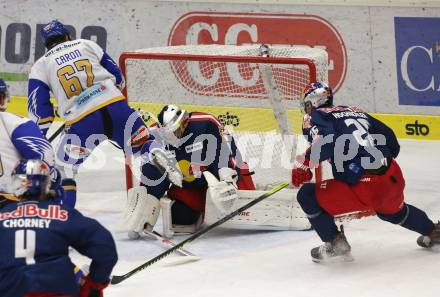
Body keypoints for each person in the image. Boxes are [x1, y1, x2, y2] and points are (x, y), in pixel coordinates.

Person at [292, 82, 440, 263]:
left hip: (364, 187)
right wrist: (377, 163)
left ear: (313, 102)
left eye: (307, 104)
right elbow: (391, 139)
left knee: (306, 195)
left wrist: (304, 165)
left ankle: (336, 244)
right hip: (392, 175)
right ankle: (434, 233)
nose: (306, 109)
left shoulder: (316, 116)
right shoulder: (355, 111)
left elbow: (327, 140)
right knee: (392, 211)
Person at [28, 20, 150, 208]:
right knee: (147, 148)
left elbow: (40, 114)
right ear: (68, 36)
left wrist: (40, 138)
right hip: (117, 109)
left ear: (46, 45)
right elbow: (118, 78)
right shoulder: (87, 44)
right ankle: (167, 198)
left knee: (64, 170)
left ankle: (64, 219)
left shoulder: (41, 65)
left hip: (84, 123)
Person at [118, 104, 257, 238]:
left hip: (218, 179)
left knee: (248, 211)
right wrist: (145, 206)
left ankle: (238, 194)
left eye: (175, 132)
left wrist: (227, 177)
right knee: (180, 218)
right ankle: (203, 210)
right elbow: (153, 174)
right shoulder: (153, 136)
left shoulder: (205, 123)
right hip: (190, 186)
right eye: (167, 134)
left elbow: (227, 148)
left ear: (184, 122)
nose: (172, 138)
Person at [0, 159, 118, 297]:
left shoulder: (2, 214)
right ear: (46, 183)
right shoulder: (63, 213)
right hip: (57, 289)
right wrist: (95, 283)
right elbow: (105, 248)